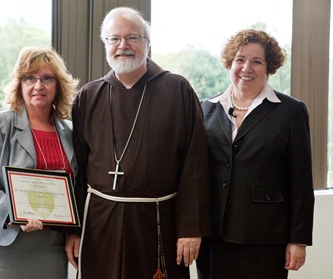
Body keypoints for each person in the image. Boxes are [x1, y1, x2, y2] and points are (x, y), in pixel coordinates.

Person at [65, 6, 211, 279]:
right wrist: (75, 230)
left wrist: (191, 229)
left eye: (132, 37)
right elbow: (79, 170)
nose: (123, 46)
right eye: (114, 39)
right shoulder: (88, 96)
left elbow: (195, 164)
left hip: (156, 223)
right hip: (100, 223)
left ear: (147, 43)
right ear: (105, 44)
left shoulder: (177, 90)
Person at [196, 29, 315, 279]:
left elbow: (301, 181)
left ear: (269, 66)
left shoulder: (291, 111)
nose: (246, 68)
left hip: (265, 238)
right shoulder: (206, 108)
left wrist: (298, 240)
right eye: (240, 59)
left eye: (256, 61)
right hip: (213, 237)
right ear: (230, 62)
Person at [0, 46, 79, 279]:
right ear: (20, 84)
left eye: (47, 78)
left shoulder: (70, 132)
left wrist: (75, 231)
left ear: (58, 86)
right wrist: (14, 214)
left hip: (51, 248)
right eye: (30, 78)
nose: (38, 86)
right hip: (1, 246)